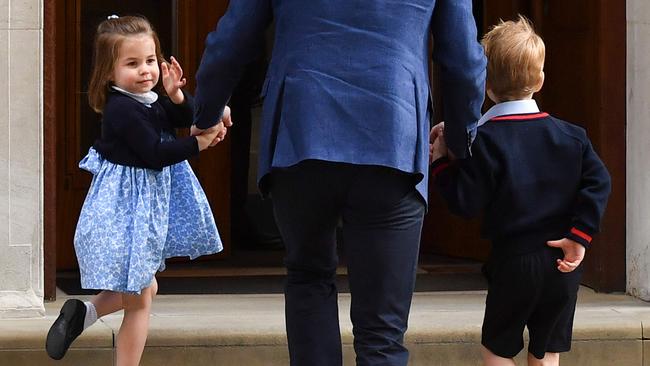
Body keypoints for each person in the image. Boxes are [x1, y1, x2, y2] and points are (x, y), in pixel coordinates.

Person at [192, 1, 486, 365]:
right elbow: (463, 60)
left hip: (301, 132)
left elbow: (231, 40)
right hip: (391, 134)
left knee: (309, 278)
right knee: (382, 331)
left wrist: (206, 112)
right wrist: (459, 140)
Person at [429, 16, 611, 366]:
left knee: (496, 349)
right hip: (562, 262)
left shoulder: (484, 142)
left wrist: (440, 163)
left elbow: (465, 202)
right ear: (540, 80)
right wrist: (580, 235)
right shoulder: (572, 137)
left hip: (514, 262)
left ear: (485, 86)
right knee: (546, 352)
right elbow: (599, 181)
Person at [45, 15, 228, 364]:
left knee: (145, 288)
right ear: (108, 73)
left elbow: (181, 118)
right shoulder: (121, 110)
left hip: (142, 210)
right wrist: (198, 145)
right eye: (132, 64)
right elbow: (155, 154)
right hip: (126, 212)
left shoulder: (146, 99)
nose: (145, 71)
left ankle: (83, 313)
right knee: (142, 297)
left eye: (149, 60)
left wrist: (176, 95)